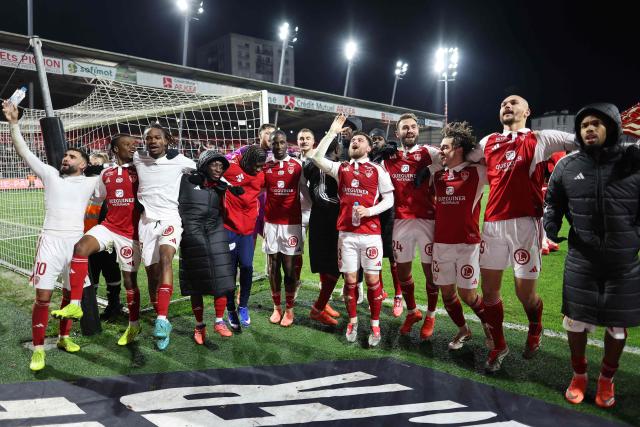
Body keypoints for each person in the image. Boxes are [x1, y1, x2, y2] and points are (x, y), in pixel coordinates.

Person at [466, 94, 576, 372]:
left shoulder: (540, 138)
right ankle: (499, 346)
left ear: (528, 111)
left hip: (526, 224)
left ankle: (535, 325)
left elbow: (581, 142)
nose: (507, 105)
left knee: (524, 293)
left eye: (514, 102)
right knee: (489, 291)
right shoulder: (487, 142)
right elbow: (463, 158)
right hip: (492, 224)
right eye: (503, 102)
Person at [544, 103, 640, 408]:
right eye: (584, 124)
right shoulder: (567, 165)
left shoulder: (633, 160)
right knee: (575, 322)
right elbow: (553, 201)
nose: (589, 128)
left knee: (617, 325)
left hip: (623, 261)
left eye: (596, 123)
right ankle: (579, 374)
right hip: (581, 258)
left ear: (611, 127)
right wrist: (550, 226)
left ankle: (606, 380)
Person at [3, 100, 99, 371]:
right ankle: (38, 349)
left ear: (83, 164)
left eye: (71, 157)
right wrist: (14, 123)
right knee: (43, 297)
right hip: (50, 242)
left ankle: (63, 338)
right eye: (64, 156)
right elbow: (24, 153)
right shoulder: (51, 175)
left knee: (71, 297)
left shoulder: (92, 182)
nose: (65, 159)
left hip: (76, 245)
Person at [312, 114, 394, 347]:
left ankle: (375, 324)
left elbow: (389, 199)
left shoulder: (377, 170)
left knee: (371, 280)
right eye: (353, 140)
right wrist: (331, 131)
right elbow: (316, 157)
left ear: (368, 147)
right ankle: (354, 321)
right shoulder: (341, 168)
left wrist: (370, 211)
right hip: (346, 235)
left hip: (370, 235)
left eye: (360, 140)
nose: (355, 142)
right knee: (349, 281)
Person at [60, 135, 143, 346]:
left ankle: (134, 325)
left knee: (129, 282)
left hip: (130, 234)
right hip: (109, 227)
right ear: (116, 149)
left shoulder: (142, 170)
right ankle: (76, 304)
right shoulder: (106, 173)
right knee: (80, 248)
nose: (133, 147)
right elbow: (95, 198)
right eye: (127, 144)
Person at [134, 124, 196, 350]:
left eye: (157, 138)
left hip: (170, 219)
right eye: (149, 138)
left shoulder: (181, 160)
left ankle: (161, 319)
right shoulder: (138, 158)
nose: (152, 141)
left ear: (167, 140)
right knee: (152, 274)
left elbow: (206, 168)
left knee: (166, 258)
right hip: (146, 223)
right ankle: (160, 313)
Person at [381, 113, 441, 339]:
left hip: (427, 220)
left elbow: (450, 158)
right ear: (397, 133)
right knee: (404, 273)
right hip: (401, 221)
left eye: (413, 127)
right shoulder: (389, 157)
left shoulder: (429, 152)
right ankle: (413, 311)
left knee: (430, 274)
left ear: (418, 131)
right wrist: (379, 155)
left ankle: (431, 315)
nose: (409, 130)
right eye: (405, 127)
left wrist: (430, 170)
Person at [432, 122, 491, 350]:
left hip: (468, 244)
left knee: (468, 294)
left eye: (445, 147)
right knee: (447, 293)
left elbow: (489, 155)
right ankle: (463, 330)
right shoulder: (438, 176)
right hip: (441, 244)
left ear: (457, 148)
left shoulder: (477, 172)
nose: (441, 151)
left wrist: (474, 154)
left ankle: (488, 324)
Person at [178, 150, 239, 342]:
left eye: (221, 166)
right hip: (192, 233)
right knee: (195, 282)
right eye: (214, 164)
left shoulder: (221, 186)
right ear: (204, 164)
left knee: (223, 277)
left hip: (215, 231)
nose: (218, 169)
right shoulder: (185, 179)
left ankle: (219, 321)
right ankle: (199, 326)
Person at [263, 130, 309, 326]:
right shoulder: (265, 167)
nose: (279, 146)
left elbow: (307, 193)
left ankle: (289, 309)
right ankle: (276, 308)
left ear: (287, 145)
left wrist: (306, 216)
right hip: (271, 224)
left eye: (282, 143)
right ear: (271, 144)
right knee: (273, 267)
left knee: (289, 269)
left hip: (291, 224)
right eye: (275, 143)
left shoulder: (298, 165)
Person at [223, 145, 267, 329]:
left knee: (247, 268)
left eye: (261, 166)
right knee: (230, 271)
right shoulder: (229, 167)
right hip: (229, 228)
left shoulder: (262, 175)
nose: (258, 169)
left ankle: (243, 306)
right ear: (246, 160)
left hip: (247, 231)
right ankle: (230, 308)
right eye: (256, 165)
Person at [305, 136, 343, 326]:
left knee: (327, 266)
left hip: (325, 218)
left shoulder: (324, 162)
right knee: (335, 267)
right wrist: (345, 205)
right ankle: (317, 309)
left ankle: (323, 301)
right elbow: (320, 196)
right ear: (336, 148)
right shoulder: (323, 165)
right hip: (326, 219)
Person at [83, 150, 123, 321]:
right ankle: (89, 309)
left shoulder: (108, 190)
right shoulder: (85, 191)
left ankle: (114, 305)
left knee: (111, 271)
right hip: (88, 239)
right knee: (93, 274)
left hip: (107, 239)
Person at [369, 128, 403, 317]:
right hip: (373, 213)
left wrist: (391, 147)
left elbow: (396, 150)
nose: (375, 142)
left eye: (379, 139)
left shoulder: (390, 156)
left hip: (389, 212)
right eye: (373, 139)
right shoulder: (369, 159)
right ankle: (380, 291)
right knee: (376, 256)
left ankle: (399, 295)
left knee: (393, 256)